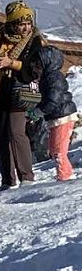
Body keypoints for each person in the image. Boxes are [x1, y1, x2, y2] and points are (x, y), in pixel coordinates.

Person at [0, 1, 45, 190]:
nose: (26, 28)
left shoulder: (34, 41)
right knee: (0, 137)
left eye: (28, 23)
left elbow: (35, 68)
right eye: (21, 24)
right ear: (12, 23)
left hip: (18, 94)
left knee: (16, 133)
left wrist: (11, 63)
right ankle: (7, 180)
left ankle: (26, 176)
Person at [37, 41, 77, 182]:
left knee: (59, 150)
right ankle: (64, 173)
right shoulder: (48, 77)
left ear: (47, 62)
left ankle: (66, 176)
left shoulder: (53, 77)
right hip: (56, 116)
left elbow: (54, 99)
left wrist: (40, 111)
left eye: (40, 62)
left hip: (63, 116)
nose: (37, 66)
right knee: (54, 149)